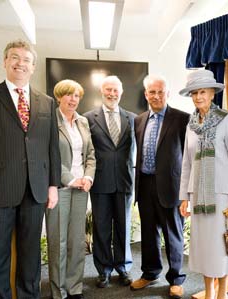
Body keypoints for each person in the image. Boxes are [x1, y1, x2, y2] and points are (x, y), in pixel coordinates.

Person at [0, 39, 61, 299]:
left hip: (36, 190)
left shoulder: (47, 103)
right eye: (14, 57)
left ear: (33, 66)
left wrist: (53, 185)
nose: (20, 63)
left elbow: (52, 148)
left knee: (30, 257)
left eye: (26, 59)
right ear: (5, 62)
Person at [178, 69, 228, 299]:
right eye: (194, 93)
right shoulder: (190, 125)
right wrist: (184, 197)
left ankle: (222, 294)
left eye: (202, 92)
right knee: (206, 248)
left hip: (223, 198)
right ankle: (209, 292)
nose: (198, 97)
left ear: (212, 93)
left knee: (221, 248)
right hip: (198, 197)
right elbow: (186, 163)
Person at [130, 74, 189, 299]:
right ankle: (150, 272)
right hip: (145, 183)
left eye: (160, 92)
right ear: (146, 95)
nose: (156, 96)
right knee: (148, 232)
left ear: (167, 93)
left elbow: (188, 157)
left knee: (173, 233)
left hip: (171, 186)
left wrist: (187, 193)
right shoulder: (139, 120)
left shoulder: (182, 119)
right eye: (151, 92)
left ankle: (176, 278)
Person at [84, 75, 136, 287]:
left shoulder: (132, 118)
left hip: (124, 180)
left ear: (121, 92)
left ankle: (123, 268)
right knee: (102, 227)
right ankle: (103, 270)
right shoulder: (87, 118)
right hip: (100, 182)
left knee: (124, 227)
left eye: (115, 90)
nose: (112, 93)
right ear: (101, 91)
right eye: (108, 89)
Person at [45, 79, 96, 299]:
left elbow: (91, 155)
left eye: (77, 95)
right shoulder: (48, 121)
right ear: (59, 97)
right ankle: (59, 291)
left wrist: (87, 177)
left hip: (81, 189)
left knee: (77, 241)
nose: (73, 99)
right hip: (60, 188)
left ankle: (74, 287)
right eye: (69, 95)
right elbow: (48, 156)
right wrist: (69, 179)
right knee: (59, 241)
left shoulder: (83, 122)